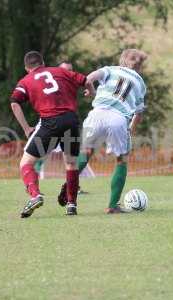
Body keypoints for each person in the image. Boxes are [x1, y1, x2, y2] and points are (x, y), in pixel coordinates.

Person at [58, 49, 147, 213]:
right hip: (119, 119)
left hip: (96, 114)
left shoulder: (110, 69)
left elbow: (88, 78)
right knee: (121, 160)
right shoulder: (140, 83)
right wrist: (130, 130)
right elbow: (139, 112)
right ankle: (112, 206)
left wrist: (91, 91)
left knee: (85, 153)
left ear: (122, 60)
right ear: (140, 66)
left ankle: (70, 184)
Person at [10, 51, 91, 217]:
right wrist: (91, 92)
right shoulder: (60, 71)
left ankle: (35, 195)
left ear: (27, 68)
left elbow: (14, 103)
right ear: (43, 62)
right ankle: (71, 205)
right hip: (71, 120)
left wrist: (26, 128)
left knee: (26, 163)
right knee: (71, 164)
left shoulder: (26, 80)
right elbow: (86, 80)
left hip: (50, 123)